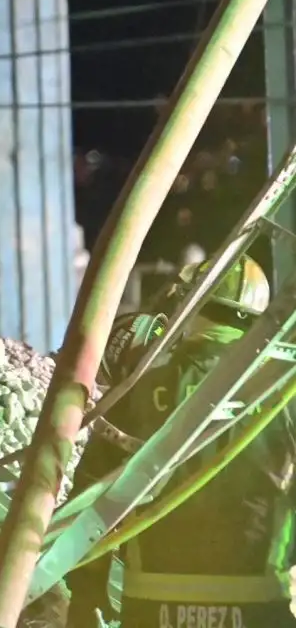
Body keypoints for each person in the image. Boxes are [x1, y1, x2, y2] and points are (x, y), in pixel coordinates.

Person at [66, 257, 295, 628]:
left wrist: (86, 594)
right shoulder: (283, 392)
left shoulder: (141, 387)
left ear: (190, 303)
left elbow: (89, 498)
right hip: (258, 607)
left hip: (153, 608)